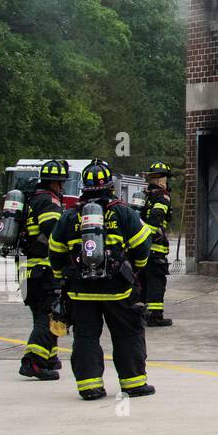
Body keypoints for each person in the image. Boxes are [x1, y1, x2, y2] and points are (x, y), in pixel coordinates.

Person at [47, 159, 154, 400]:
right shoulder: (123, 212)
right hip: (118, 290)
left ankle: (89, 387)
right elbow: (142, 248)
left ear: (84, 187)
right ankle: (134, 384)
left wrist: (62, 279)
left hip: (80, 292)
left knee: (85, 337)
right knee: (127, 334)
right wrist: (133, 272)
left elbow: (55, 252)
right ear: (110, 186)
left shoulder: (69, 216)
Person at [17, 159, 68, 380]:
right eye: (61, 183)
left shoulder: (31, 200)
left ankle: (49, 357)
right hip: (44, 269)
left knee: (43, 314)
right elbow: (53, 231)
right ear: (55, 183)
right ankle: (33, 362)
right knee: (50, 315)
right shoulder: (48, 201)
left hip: (26, 270)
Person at [140, 161, 174, 327]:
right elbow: (156, 218)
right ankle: (155, 316)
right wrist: (152, 237)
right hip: (155, 248)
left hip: (141, 248)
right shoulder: (163, 196)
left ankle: (142, 313)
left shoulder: (146, 195)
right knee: (157, 281)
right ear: (162, 179)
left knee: (143, 280)